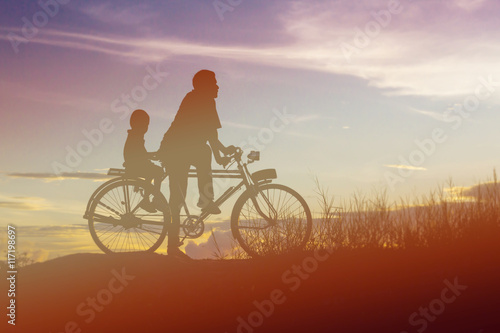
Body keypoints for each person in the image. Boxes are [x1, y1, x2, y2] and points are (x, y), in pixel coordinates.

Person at [159, 70, 236, 258]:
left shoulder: (207, 101)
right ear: (204, 86)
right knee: (177, 198)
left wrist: (221, 154)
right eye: (214, 83)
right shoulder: (195, 99)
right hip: (176, 149)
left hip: (187, 148)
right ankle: (204, 200)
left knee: (203, 153)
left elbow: (211, 133)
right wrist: (221, 153)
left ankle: (205, 198)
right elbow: (209, 136)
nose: (217, 86)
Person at [123, 109, 164, 213]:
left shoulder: (135, 135)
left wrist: (152, 156)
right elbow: (140, 154)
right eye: (145, 125)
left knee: (151, 172)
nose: (146, 128)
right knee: (159, 172)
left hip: (136, 164)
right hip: (135, 165)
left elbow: (141, 153)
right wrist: (152, 155)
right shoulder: (136, 137)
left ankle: (146, 200)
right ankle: (156, 199)